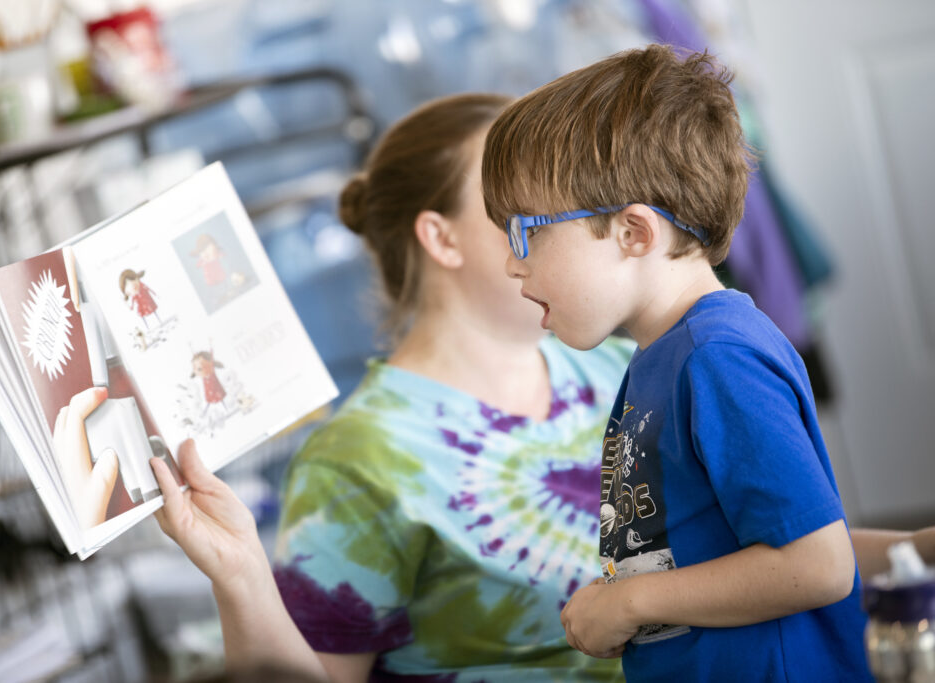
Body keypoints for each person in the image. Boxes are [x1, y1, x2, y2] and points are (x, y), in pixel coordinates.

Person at [152, 92, 633, 682]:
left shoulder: (626, 369)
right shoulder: (360, 462)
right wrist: (241, 575)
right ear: (441, 238)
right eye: (520, 204)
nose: (566, 221)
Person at [478, 44, 870, 680]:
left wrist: (629, 603)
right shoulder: (664, 357)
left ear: (634, 233)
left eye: (526, 232)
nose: (511, 263)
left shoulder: (717, 358)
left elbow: (815, 564)